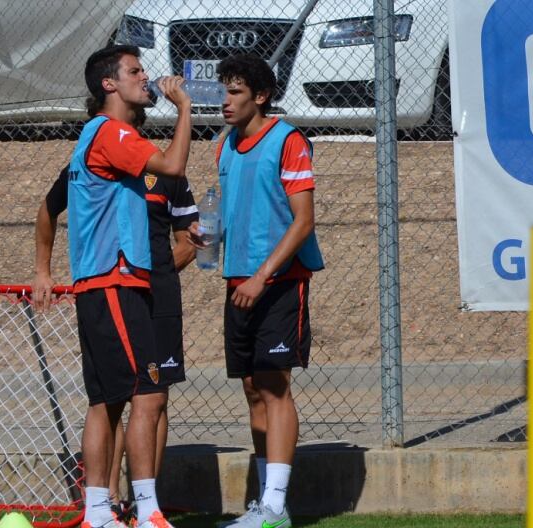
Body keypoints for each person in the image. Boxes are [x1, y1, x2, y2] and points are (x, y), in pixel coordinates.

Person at [33, 44, 192, 528]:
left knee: (106, 400)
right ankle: (148, 511)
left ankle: (98, 513)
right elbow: (173, 165)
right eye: (135, 71)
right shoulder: (111, 132)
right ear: (110, 84)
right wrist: (184, 108)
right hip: (114, 282)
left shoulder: (96, 136)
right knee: (148, 392)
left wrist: (44, 269)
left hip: (104, 285)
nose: (145, 77)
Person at [190, 54, 324, 528]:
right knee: (252, 389)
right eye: (223, 91)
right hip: (239, 281)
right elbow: (230, 214)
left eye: (235, 92)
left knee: (274, 384)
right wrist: (204, 236)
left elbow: (303, 221)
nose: (225, 101)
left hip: (278, 282)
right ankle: (267, 504)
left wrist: (262, 275)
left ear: (261, 96)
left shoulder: (288, 141)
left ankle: (275, 505)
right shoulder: (224, 146)